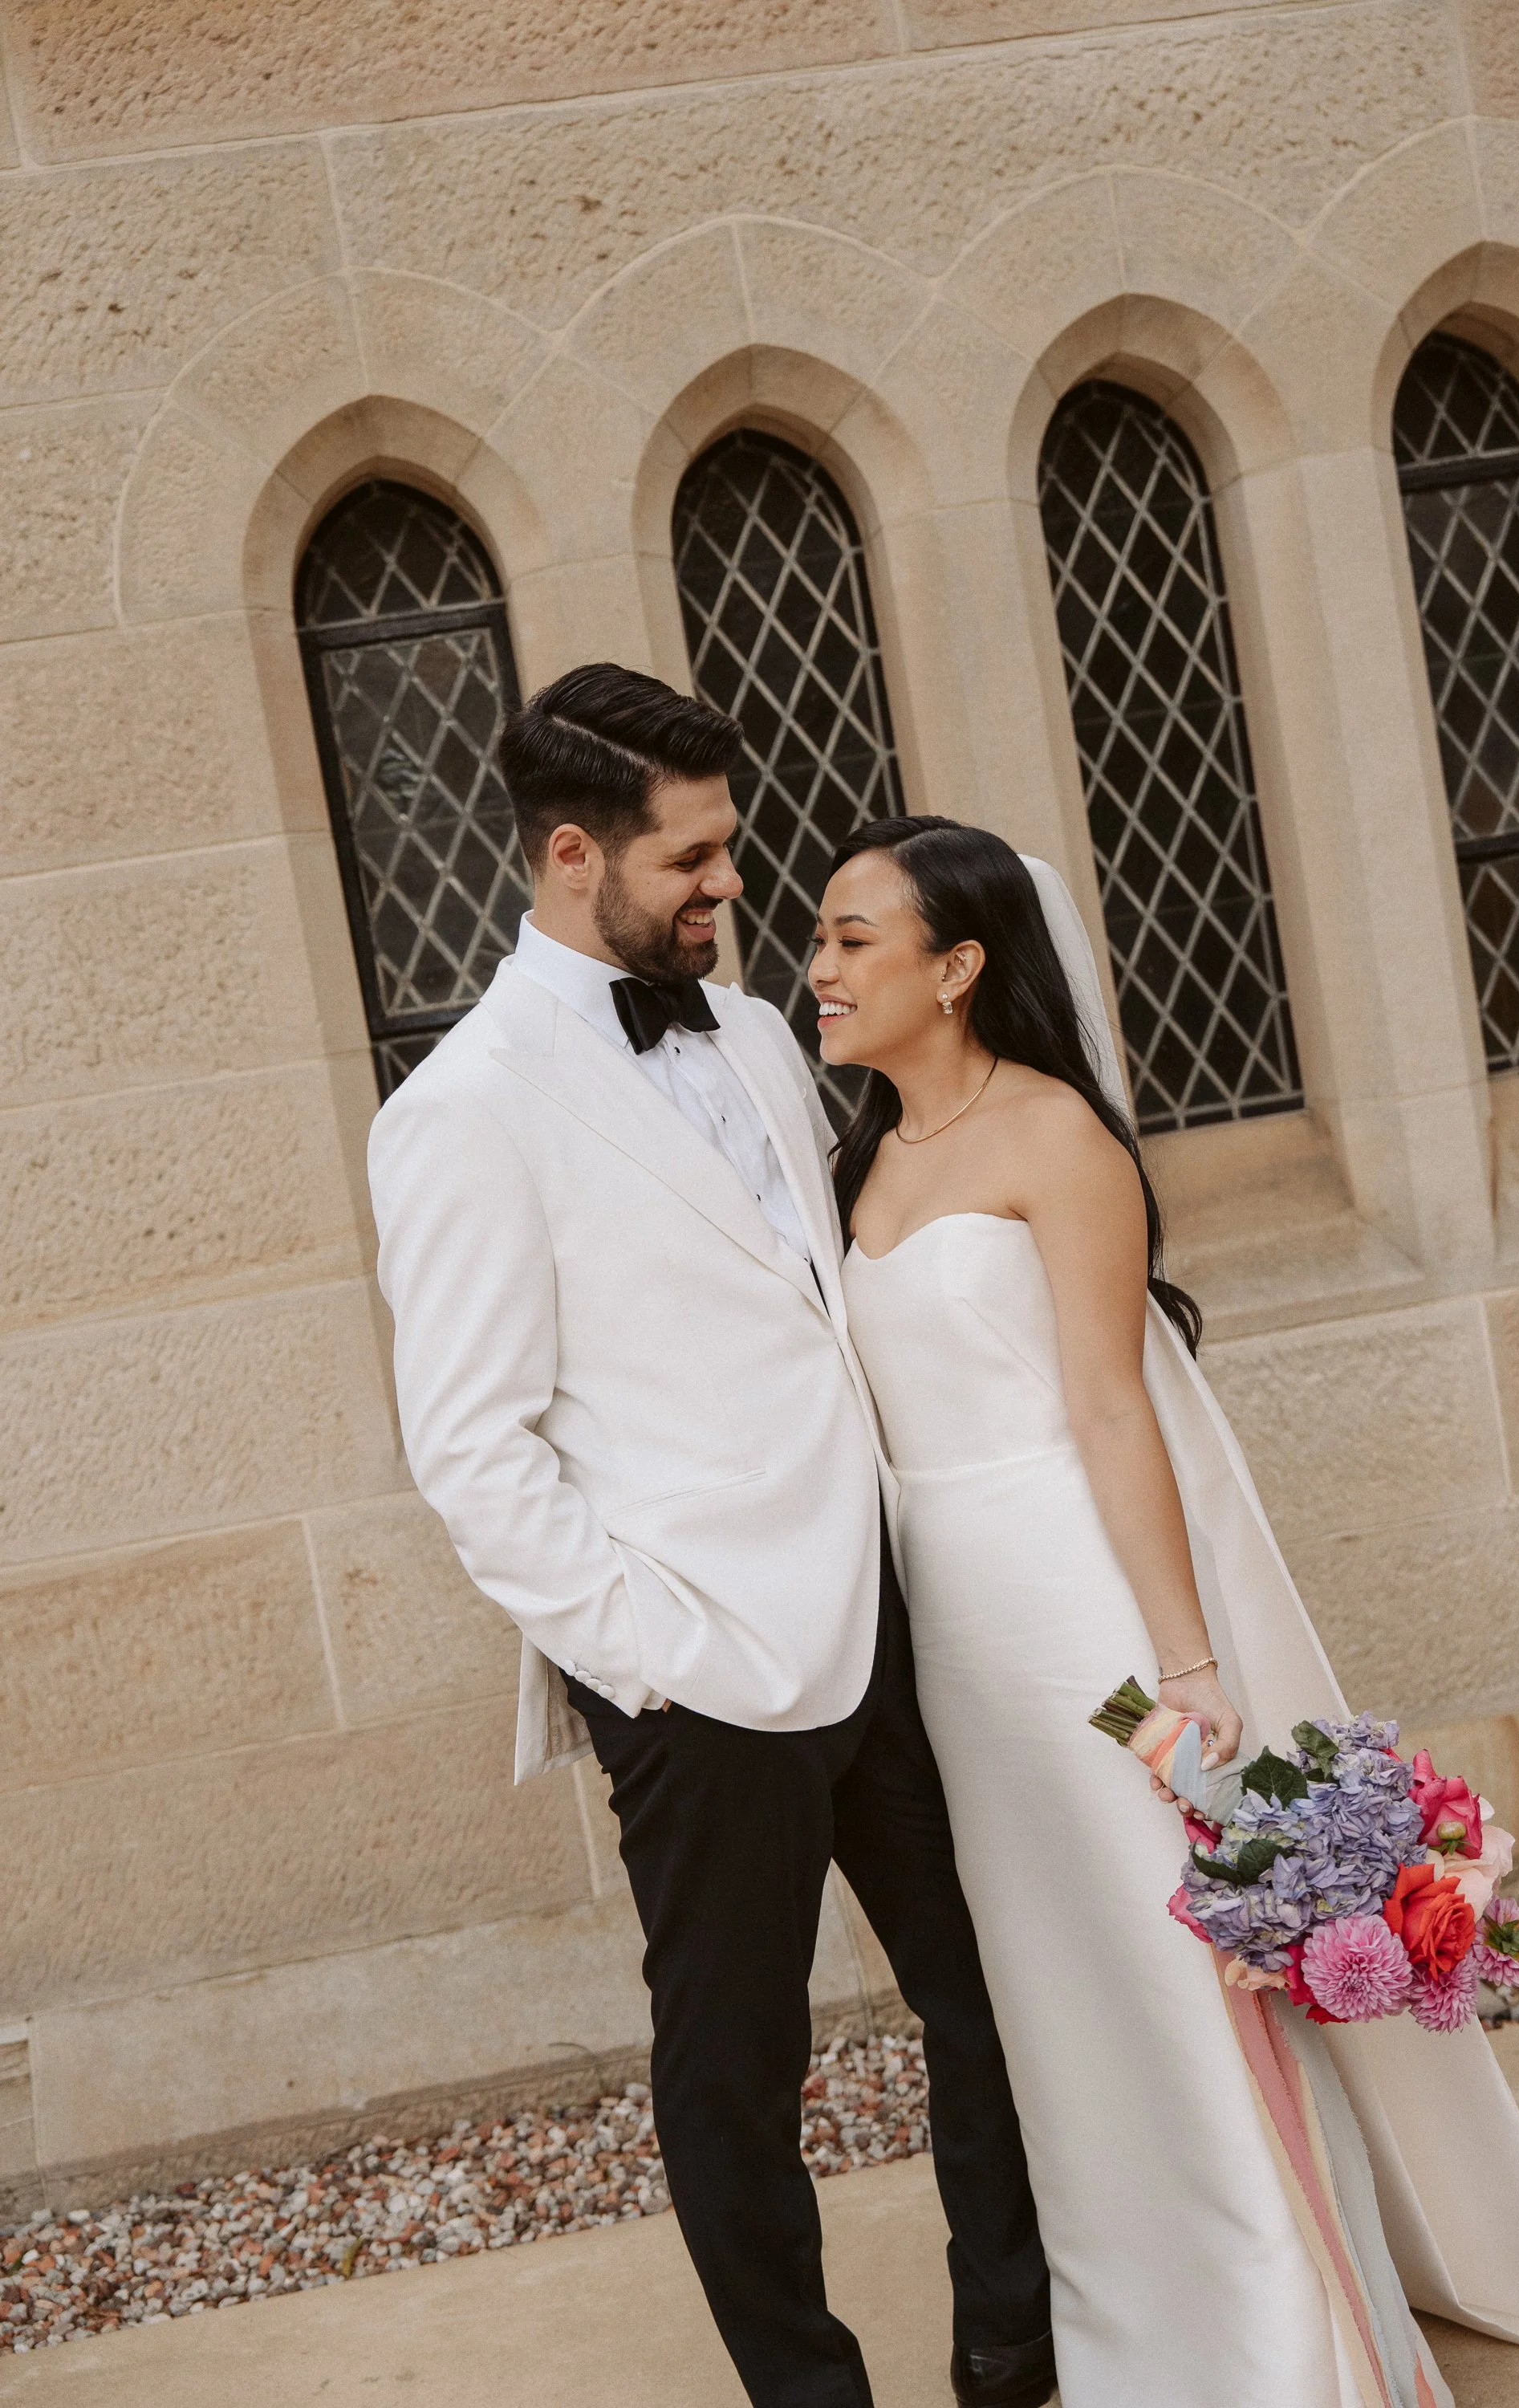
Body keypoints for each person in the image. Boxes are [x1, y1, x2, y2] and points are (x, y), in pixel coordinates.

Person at [814, 813, 1519, 2408]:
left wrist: (1181, 1666)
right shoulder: (861, 1157)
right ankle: (1140, 2305)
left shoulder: (1058, 1142)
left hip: (1083, 1632)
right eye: (821, 938)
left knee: (1163, 1943)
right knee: (1052, 1976)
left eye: (849, 939)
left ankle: (1269, 2334)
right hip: (952, 1644)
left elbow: (1115, 1412)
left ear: (956, 969)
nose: (815, 969)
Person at [367, 670, 1053, 2408]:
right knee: (735, 2081)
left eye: (730, 849)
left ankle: (1015, 2347)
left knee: (993, 1997)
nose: (729, 888)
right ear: (574, 852)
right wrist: (647, 1656)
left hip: (882, 1622)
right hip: (695, 1670)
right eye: (693, 858)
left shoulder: (753, 1031)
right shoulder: (461, 1112)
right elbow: (469, 1447)